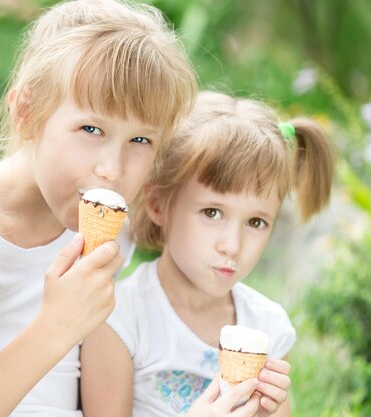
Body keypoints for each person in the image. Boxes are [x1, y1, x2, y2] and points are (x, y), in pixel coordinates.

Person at [0, 1, 198, 417]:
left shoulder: (120, 233)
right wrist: (55, 328)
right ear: (26, 113)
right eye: (91, 129)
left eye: (141, 141)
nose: (111, 170)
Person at [80, 90, 336, 417]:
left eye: (256, 221)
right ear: (159, 204)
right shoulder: (118, 316)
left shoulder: (266, 326)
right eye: (212, 213)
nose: (232, 245)